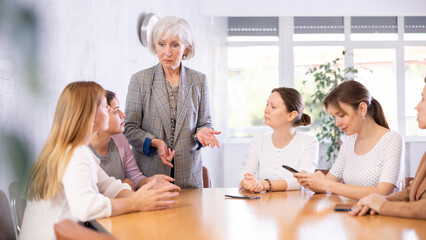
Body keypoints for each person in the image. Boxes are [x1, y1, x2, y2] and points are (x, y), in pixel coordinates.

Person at [20, 82, 180, 240]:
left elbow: (109, 185)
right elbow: (85, 208)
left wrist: (145, 197)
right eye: (106, 107)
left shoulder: (71, 150)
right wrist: (136, 203)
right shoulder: (76, 153)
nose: (111, 110)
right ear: (89, 116)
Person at [124, 16, 220, 188]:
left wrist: (204, 132)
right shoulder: (140, 79)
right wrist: (155, 142)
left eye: (175, 45)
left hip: (188, 175)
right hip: (150, 174)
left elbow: (205, 122)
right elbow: (130, 128)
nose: (167, 52)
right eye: (162, 44)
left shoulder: (199, 80)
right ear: (155, 46)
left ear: (186, 48)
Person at [294, 80, 404, 200]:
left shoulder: (392, 139)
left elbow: (382, 192)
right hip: (352, 214)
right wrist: (310, 181)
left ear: (362, 109)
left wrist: (328, 185)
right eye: (334, 117)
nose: (337, 123)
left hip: (382, 217)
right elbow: (326, 184)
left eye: (341, 115)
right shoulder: (350, 141)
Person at [349, 78, 426, 219]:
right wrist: (377, 201)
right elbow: (411, 192)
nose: (417, 106)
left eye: (423, 99)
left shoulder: (392, 138)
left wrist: (382, 205)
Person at [89, 90, 179, 190]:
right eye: (116, 110)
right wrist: (122, 189)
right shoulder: (82, 150)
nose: (123, 114)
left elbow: (134, 177)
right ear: (99, 115)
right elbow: (91, 197)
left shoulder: (120, 139)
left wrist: (150, 181)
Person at [239, 87, 319, 192]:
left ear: (291, 115)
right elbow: (244, 173)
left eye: (273, 107)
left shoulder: (309, 142)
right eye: (267, 105)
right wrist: (246, 182)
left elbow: (303, 180)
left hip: (297, 206)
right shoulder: (258, 141)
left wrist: (264, 185)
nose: (266, 110)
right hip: (263, 205)